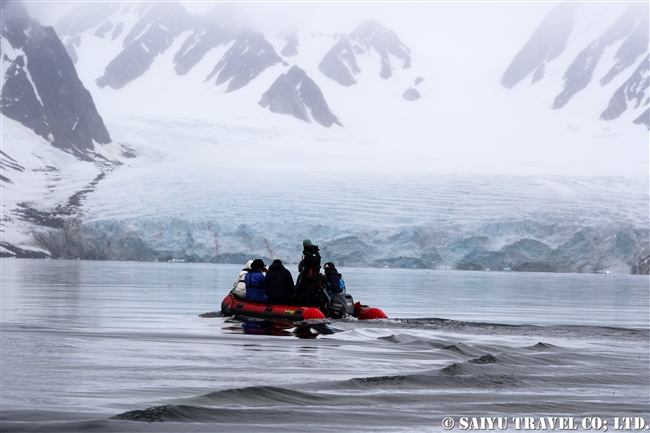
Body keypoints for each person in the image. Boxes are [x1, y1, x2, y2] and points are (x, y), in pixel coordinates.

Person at [295, 239, 322, 306]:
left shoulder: (314, 253)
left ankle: (309, 306)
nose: (305, 246)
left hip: (312, 278)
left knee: (308, 294)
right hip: (305, 278)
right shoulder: (307, 254)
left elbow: (313, 260)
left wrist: (306, 253)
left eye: (306, 245)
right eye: (304, 245)